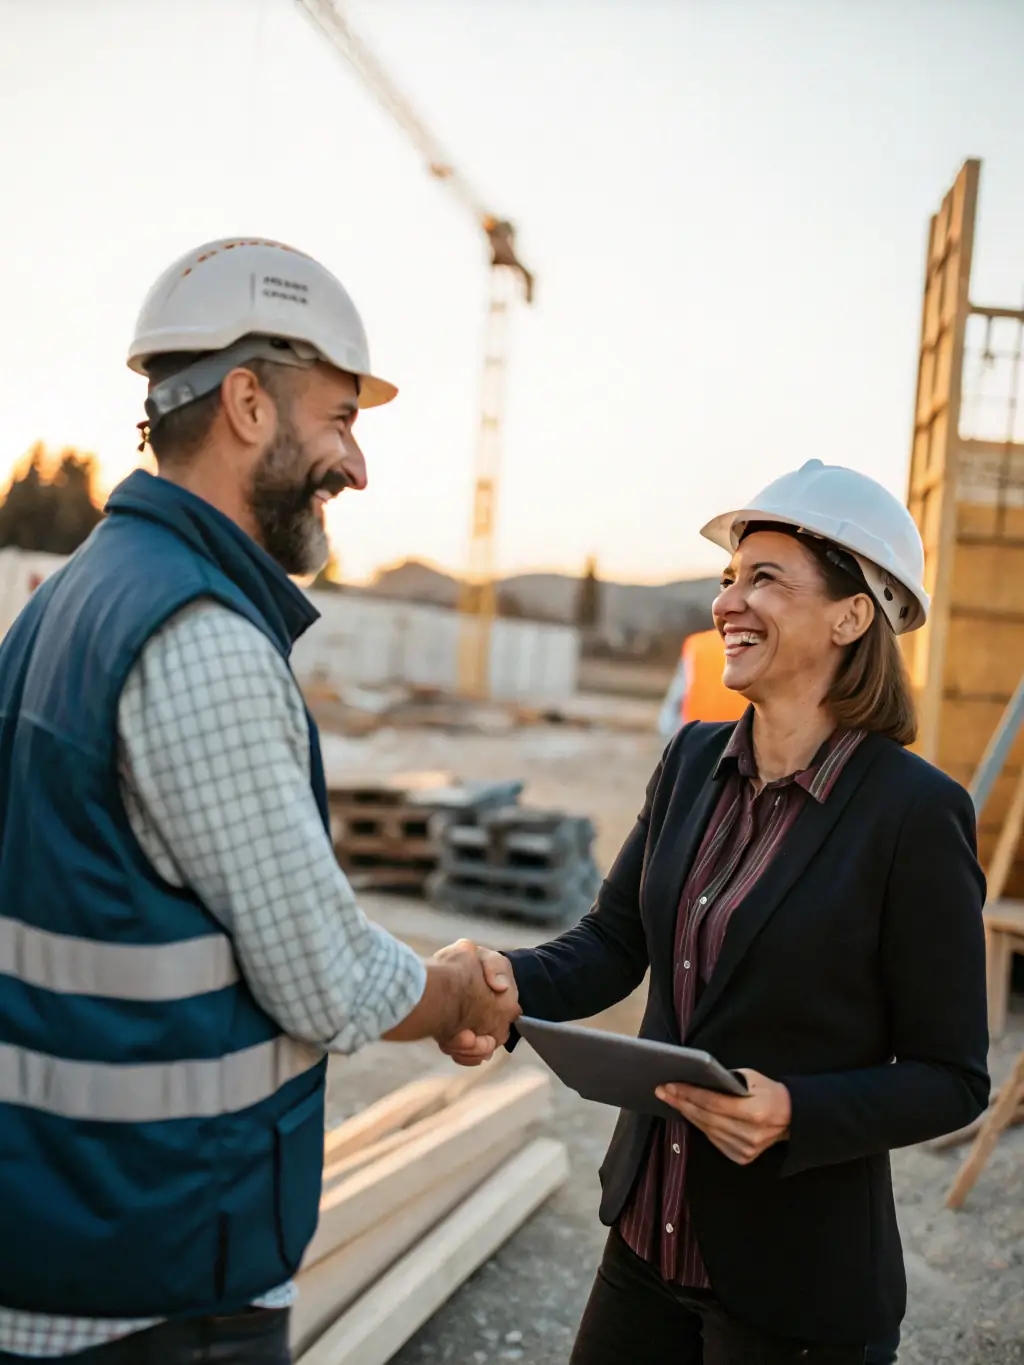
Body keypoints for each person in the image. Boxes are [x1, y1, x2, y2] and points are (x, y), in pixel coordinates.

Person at [0, 238, 520, 1363]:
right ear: (246, 403)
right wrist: (447, 992)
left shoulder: (72, 600)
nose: (357, 465)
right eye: (340, 418)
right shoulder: (199, 639)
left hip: (68, 1226)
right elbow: (323, 976)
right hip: (154, 1273)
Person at [444, 460, 989, 1364]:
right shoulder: (692, 759)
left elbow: (952, 1074)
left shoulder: (913, 812)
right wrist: (502, 983)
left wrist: (796, 1111)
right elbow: (614, 942)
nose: (728, 601)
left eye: (765, 578)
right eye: (728, 578)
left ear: (854, 616)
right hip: (646, 1240)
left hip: (795, 1287)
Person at [658, 629, 748, 740]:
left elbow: (674, 701)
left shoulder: (697, 644)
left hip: (697, 739)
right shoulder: (761, 646)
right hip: (741, 740)